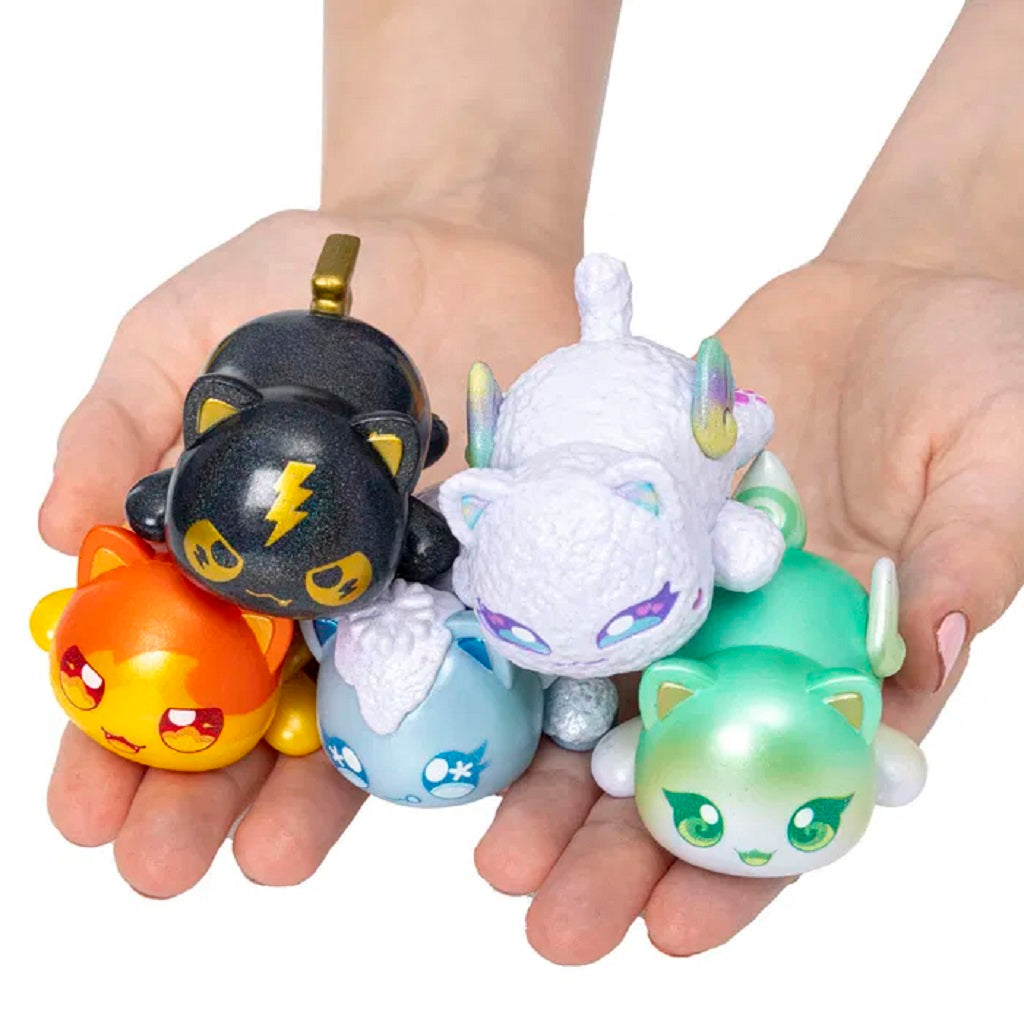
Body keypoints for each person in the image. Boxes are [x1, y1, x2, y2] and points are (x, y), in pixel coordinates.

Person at [37, 0, 1024, 964]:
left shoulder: (663, 507)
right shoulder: (463, 513)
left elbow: (718, 521)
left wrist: (951, 245)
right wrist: (450, 192)